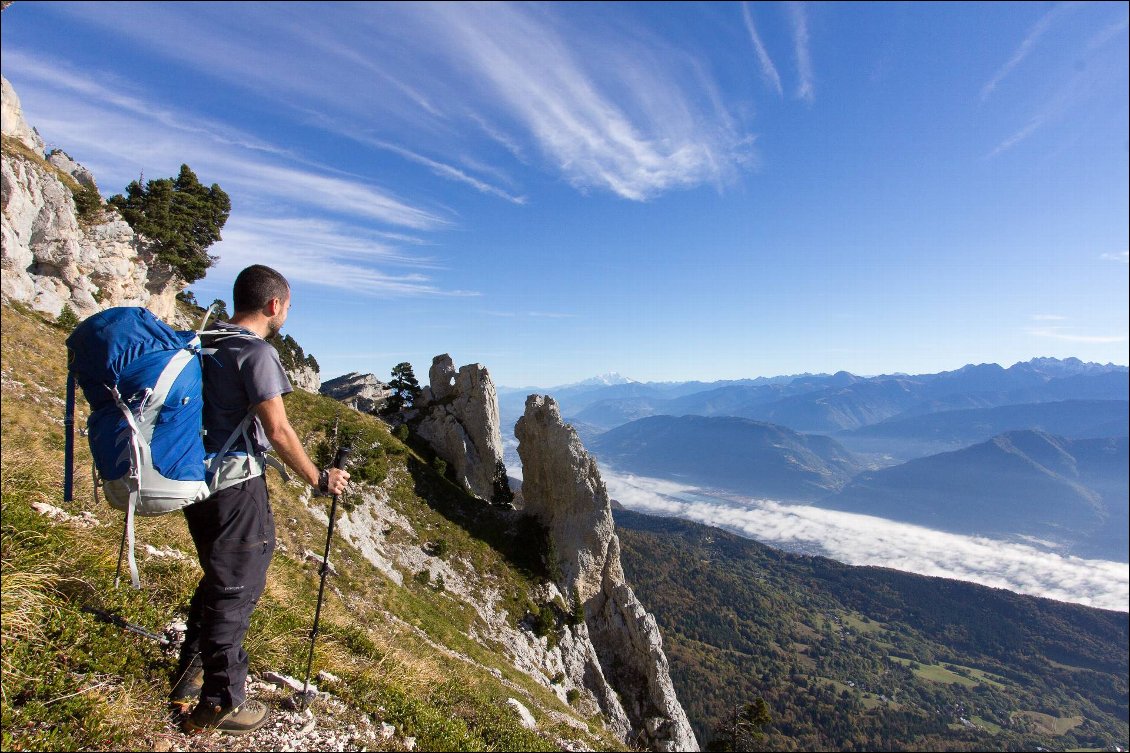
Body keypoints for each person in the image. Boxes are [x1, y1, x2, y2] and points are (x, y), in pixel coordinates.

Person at [169, 265, 349, 735]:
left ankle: (190, 677)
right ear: (274, 306)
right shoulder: (256, 353)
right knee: (237, 585)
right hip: (234, 486)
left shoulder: (203, 341)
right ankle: (221, 701)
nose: (287, 312)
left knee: (218, 577)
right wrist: (317, 477)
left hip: (195, 482)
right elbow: (278, 429)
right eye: (288, 305)